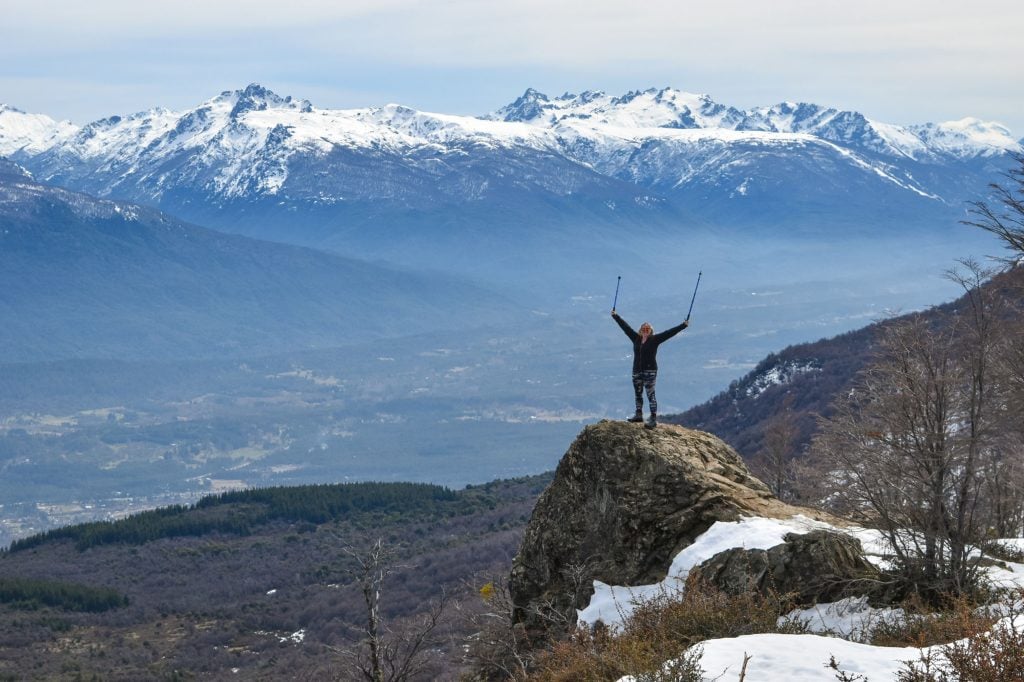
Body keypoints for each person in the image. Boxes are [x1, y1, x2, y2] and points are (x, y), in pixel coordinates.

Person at [611, 310, 689, 429]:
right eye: (644, 328)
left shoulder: (655, 339)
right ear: (640, 330)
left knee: (650, 394)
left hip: (650, 371)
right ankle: (638, 414)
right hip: (637, 370)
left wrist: (683, 325)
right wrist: (615, 316)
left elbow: (669, 333)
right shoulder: (636, 338)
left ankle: (653, 418)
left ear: (651, 330)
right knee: (638, 393)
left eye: (648, 329)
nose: (645, 330)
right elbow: (625, 327)